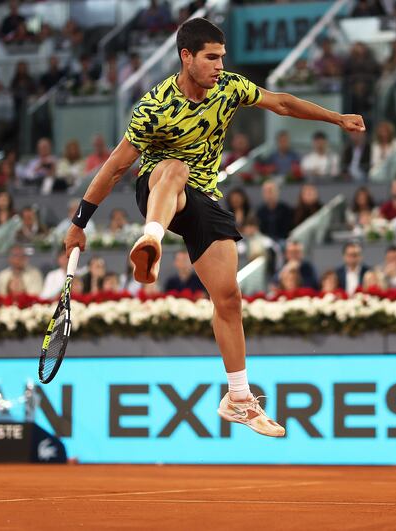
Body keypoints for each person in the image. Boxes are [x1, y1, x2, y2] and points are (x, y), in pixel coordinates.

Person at [63, 18, 365, 438]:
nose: (221, 65)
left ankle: (238, 397)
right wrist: (79, 224)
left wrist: (336, 118)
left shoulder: (229, 88)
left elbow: (279, 102)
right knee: (173, 168)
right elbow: (114, 169)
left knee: (228, 297)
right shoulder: (155, 106)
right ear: (186, 57)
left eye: (223, 57)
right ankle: (151, 239)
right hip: (158, 187)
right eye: (212, 57)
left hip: (204, 198)